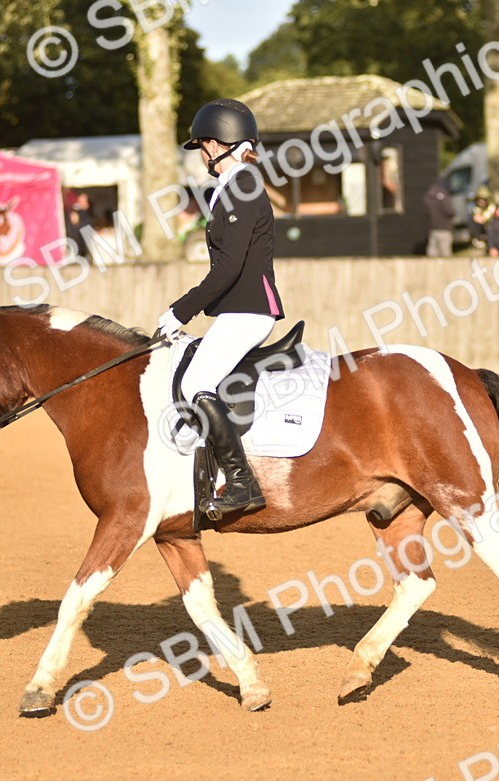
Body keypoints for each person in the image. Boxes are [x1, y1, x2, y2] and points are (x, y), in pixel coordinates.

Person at [156, 98, 284, 516]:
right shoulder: (233, 186)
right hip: (239, 308)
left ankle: (243, 484)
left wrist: (180, 311)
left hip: (249, 310)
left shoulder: (242, 186)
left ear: (217, 144)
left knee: (195, 385)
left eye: (203, 147)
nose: (203, 156)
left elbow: (227, 268)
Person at [423, 179, 455, 256]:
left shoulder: (428, 195)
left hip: (433, 228)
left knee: (432, 253)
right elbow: (449, 211)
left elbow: (426, 213)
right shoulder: (443, 194)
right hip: (445, 228)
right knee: (445, 252)